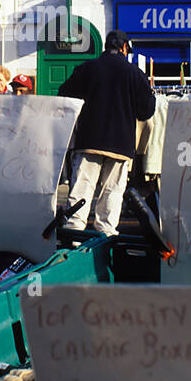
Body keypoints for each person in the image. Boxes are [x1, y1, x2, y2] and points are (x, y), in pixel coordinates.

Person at [58, 30, 156, 236]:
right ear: (123, 48)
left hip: (89, 139)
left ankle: (74, 231)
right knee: (112, 190)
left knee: (82, 186)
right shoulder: (135, 74)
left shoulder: (87, 69)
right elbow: (146, 112)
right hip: (121, 143)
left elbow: (64, 96)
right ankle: (106, 232)